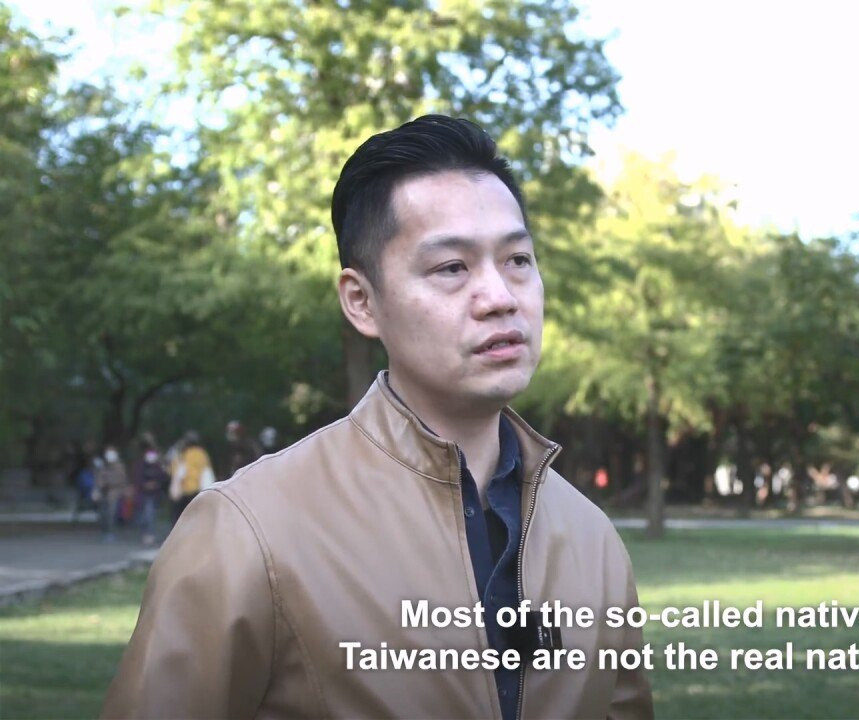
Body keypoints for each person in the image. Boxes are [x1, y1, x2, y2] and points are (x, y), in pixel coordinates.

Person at [103, 115, 653, 719]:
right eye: (452, 267)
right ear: (362, 301)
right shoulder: (247, 531)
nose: (500, 296)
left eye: (518, 259)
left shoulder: (591, 539)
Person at [167, 430, 214, 523]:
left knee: (178, 520)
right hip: (196, 492)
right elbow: (207, 473)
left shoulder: (182, 454)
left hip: (183, 492)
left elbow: (174, 472)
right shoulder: (202, 454)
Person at [132, 443, 169, 546]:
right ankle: (146, 533)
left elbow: (163, 478)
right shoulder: (140, 465)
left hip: (155, 494)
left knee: (150, 514)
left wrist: (156, 484)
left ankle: (149, 534)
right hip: (143, 493)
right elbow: (137, 478)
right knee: (146, 514)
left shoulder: (158, 466)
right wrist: (145, 485)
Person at [96, 446, 129, 542]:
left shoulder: (120, 467)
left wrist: (108, 482)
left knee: (111, 513)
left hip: (115, 493)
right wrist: (99, 488)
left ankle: (110, 533)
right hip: (104, 493)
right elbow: (99, 479)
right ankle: (104, 531)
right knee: (103, 513)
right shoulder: (103, 466)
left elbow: (121, 480)